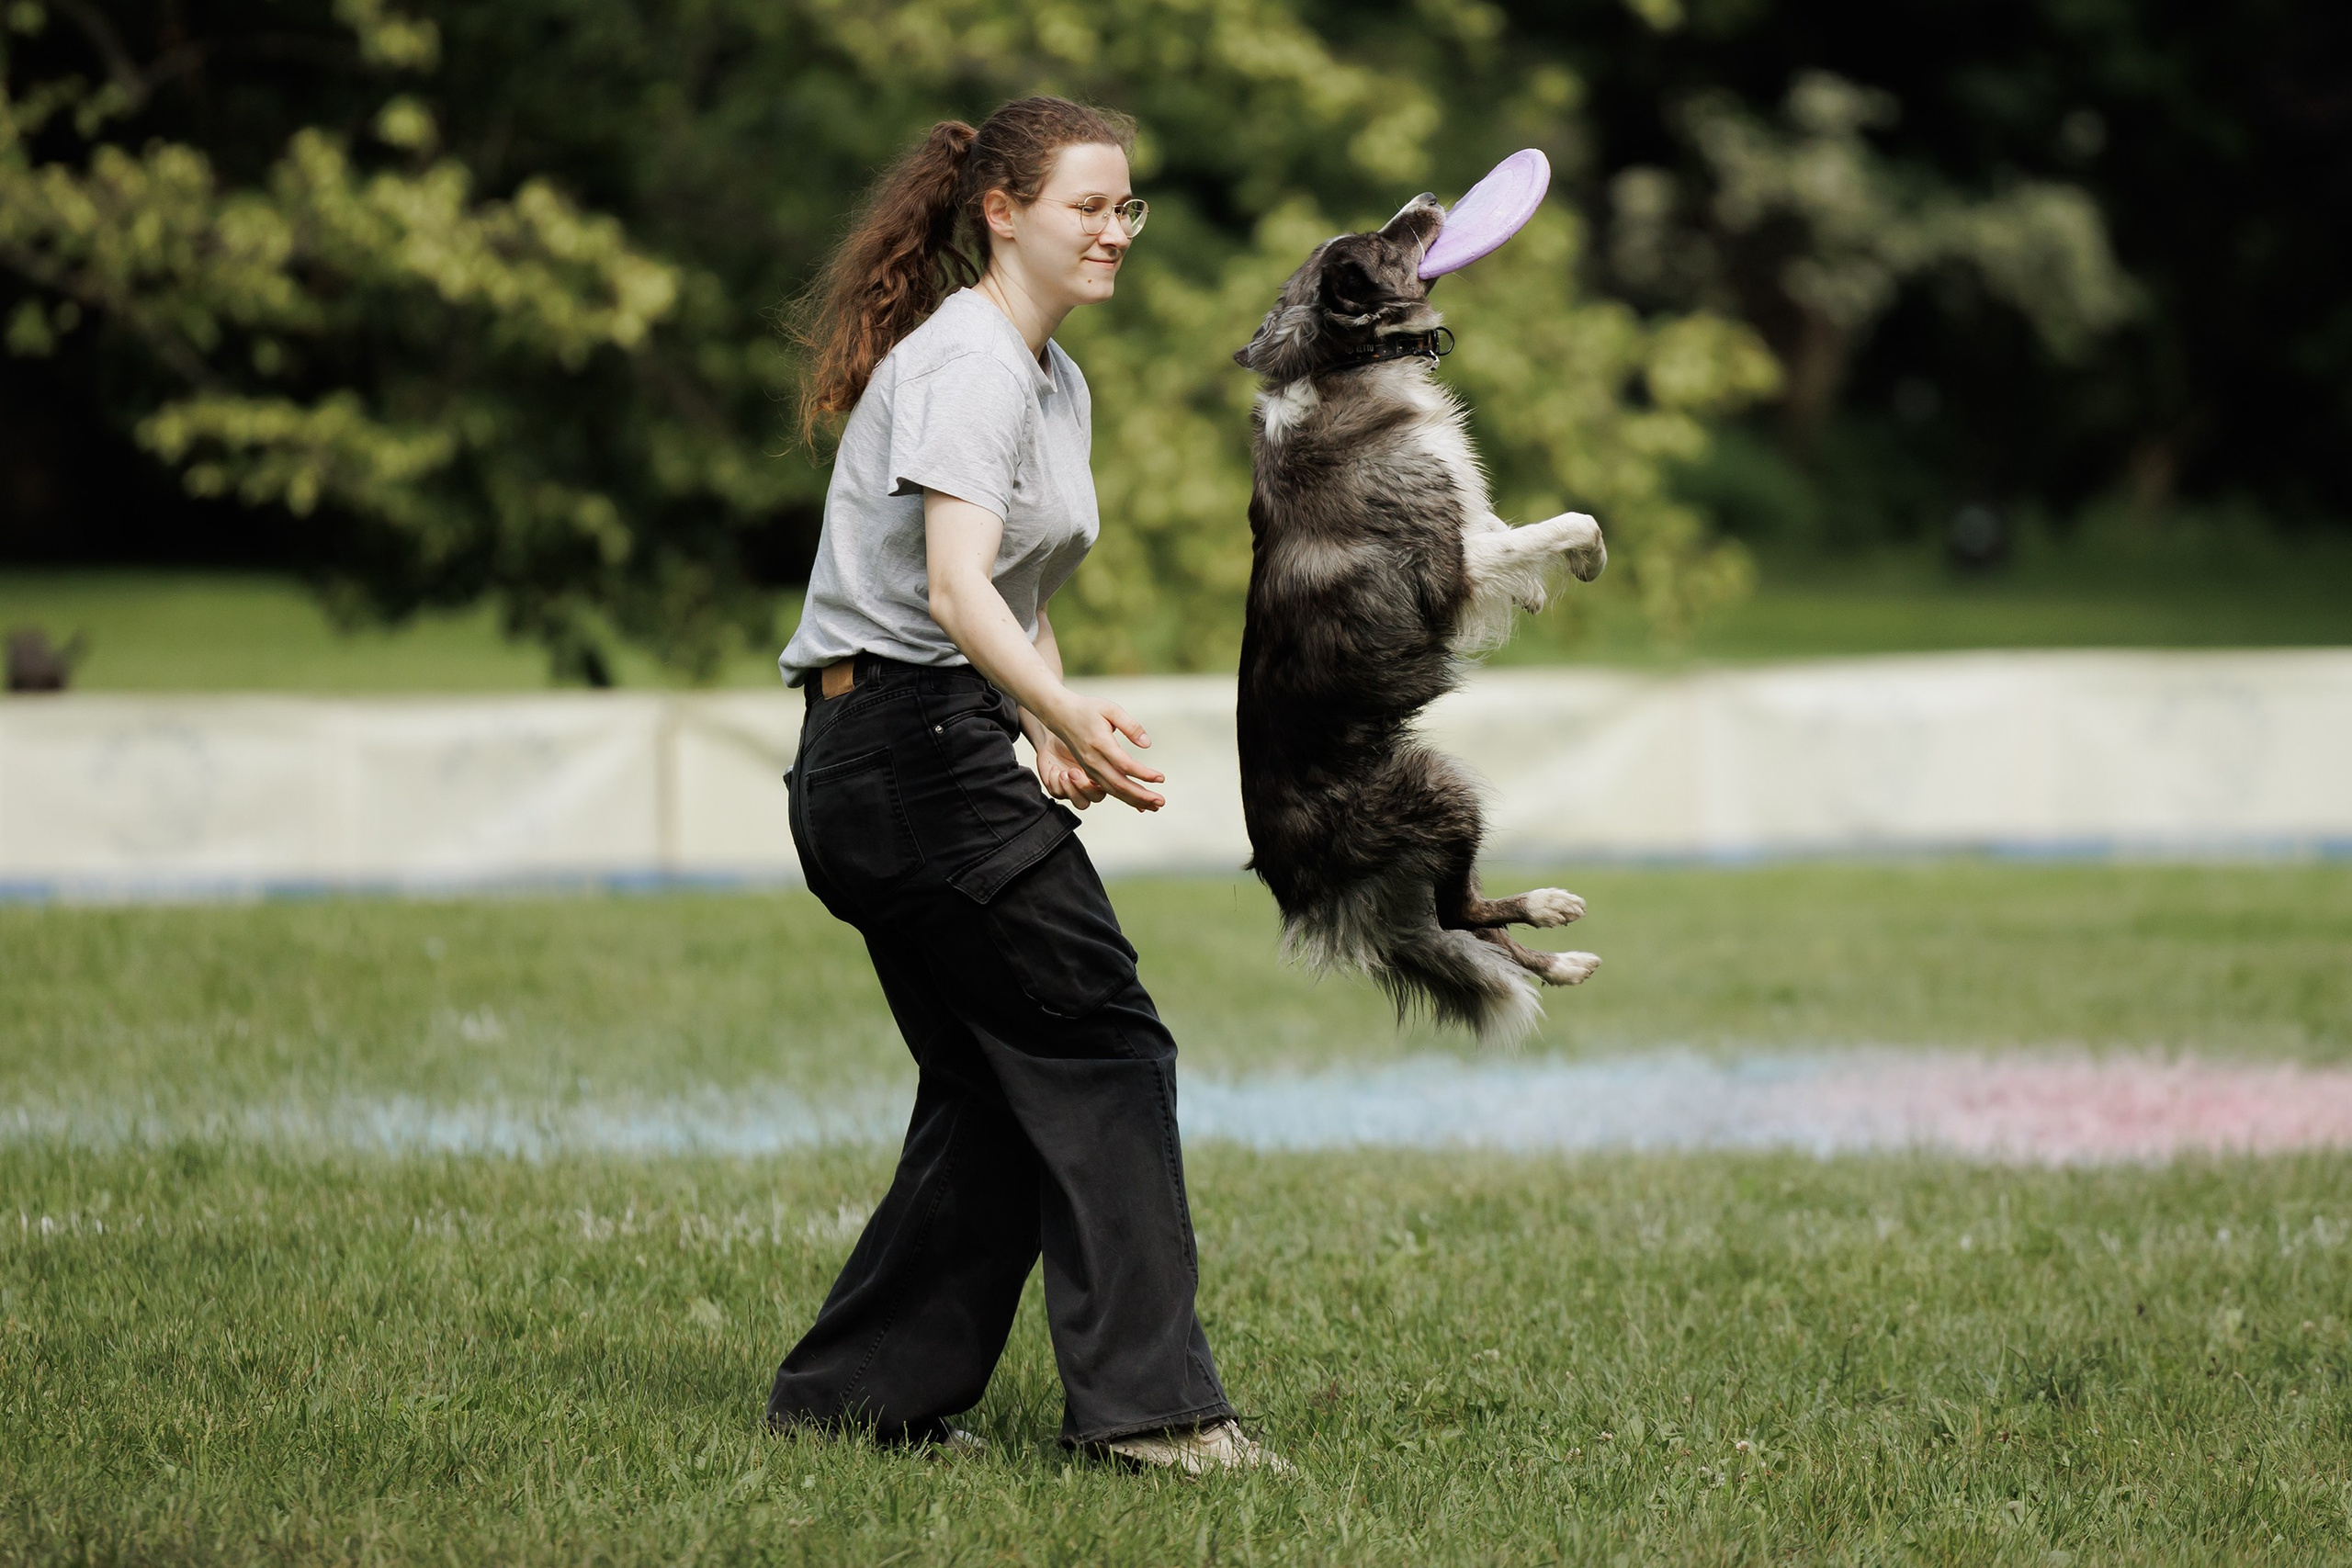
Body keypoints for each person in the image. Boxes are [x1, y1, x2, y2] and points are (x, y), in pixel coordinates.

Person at [766, 96, 1285, 1474]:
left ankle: (855, 1407)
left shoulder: (1055, 381)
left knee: (1000, 1084)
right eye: (1089, 206)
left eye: (1129, 207)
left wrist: (1043, 719)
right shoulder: (971, 364)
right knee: (1103, 1045)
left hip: (912, 752)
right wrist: (1057, 711)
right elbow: (944, 589)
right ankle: (1155, 1418)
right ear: (1003, 211)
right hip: (904, 756)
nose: (1117, 229)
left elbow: (1005, 587)